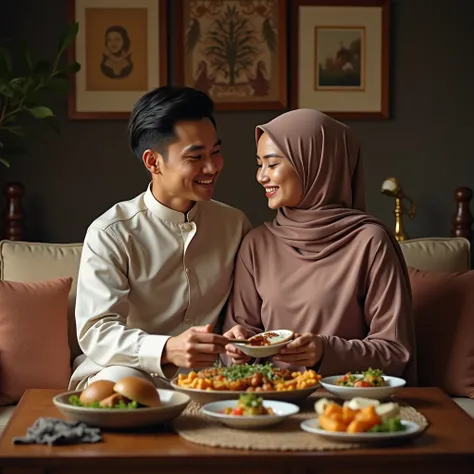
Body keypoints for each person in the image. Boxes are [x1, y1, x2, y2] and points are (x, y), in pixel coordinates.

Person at [69, 86, 251, 390]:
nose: (212, 167)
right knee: (120, 391)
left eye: (216, 152)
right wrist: (167, 348)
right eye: (196, 157)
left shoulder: (235, 224)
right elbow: (97, 330)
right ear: (153, 162)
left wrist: (236, 337)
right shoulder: (112, 232)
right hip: (128, 371)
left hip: (214, 374)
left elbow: (241, 313)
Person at [223, 109, 416, 384]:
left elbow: (396, 352)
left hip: (347, 405)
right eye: (259, 164)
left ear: (315, 163)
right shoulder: (257, 244)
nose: (261, 177)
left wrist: (326, 351)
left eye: (272, 164)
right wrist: (236, 349)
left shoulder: (370, 242)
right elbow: (240, 335)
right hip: (269, 402)